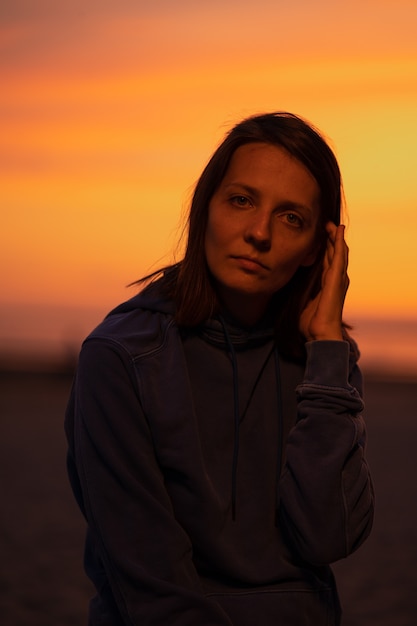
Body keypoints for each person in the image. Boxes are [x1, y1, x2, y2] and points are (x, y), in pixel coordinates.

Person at [65, 111, 374, 625]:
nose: (259, 232)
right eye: (241, 200)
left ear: (319, 252)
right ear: (204, 208)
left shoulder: (325, 361)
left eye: (291, 217)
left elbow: (328, 535)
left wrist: (326, 351)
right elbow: (153, 588)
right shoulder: (122, 358)